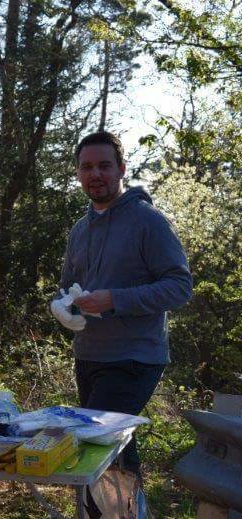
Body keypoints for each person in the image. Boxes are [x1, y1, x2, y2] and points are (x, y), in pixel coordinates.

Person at [53, 131, 192, 477]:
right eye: (87, 167)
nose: (95, 174)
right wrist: (61, 307)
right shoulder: (79, 229)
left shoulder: (149, 221)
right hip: (89, 355)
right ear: (78, 174)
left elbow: (179, 287)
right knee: (115, 453)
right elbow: (65, 287)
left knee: (95, 446)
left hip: (134, 358)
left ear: (121, 170)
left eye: (104, 166)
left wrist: (115, 299)